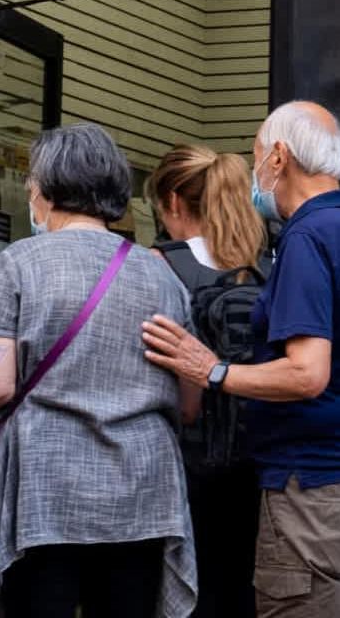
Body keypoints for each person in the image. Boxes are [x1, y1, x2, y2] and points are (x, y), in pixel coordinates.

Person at [143, 100, 340, 618]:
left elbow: (307, 372)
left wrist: (214, 371)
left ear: (278, 157)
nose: (254, 172)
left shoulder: (307, 239)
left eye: (255, 155)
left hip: (314, 500)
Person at [0, 122, 199, 618]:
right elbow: (189, 401)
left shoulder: (19, 262)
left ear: (47, 189)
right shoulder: (163, 275)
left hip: (45, 488)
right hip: (143, 488)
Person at [145, 144, 269, 618]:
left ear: (174, 202)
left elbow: (179, 398)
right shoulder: (268, 267)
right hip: (260, 470)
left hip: (186, 470)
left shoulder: (161, 264)